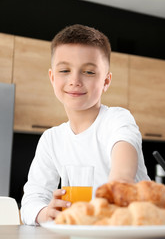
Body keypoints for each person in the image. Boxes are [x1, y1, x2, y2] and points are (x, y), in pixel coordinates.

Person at [20, 24, 150, 225]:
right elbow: (31, 199)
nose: (75, 80)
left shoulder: (117, 119)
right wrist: (46, 212)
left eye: (89, 72)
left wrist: (113, 192)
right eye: (64, 70)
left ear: (106, 81)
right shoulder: (51, 139)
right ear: (52, 78)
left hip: (133, 227)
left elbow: (122, 174)